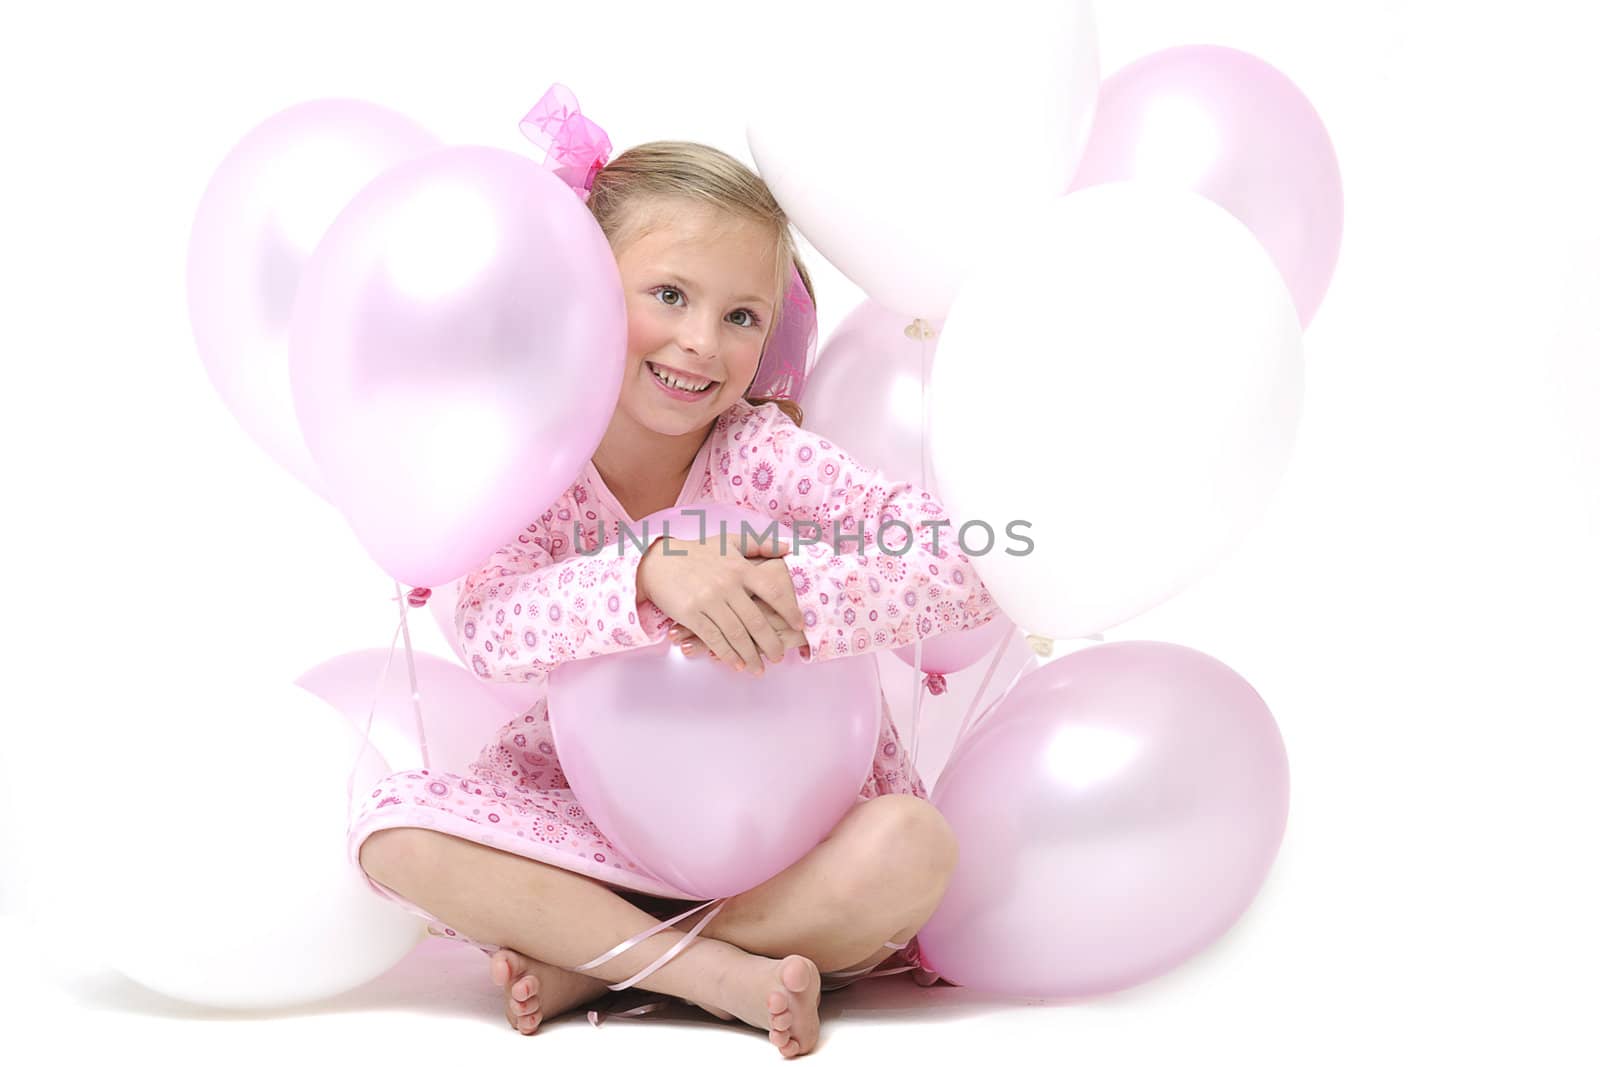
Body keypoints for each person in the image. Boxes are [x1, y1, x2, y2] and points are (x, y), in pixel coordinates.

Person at [349, 126, 995, 1058]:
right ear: (584, 290)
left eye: (743, 316)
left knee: (914, 846)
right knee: (391, 835)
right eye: (669, 295)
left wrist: (784, 587)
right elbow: (489, 625)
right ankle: (714, 973)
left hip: (793, 835)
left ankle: (608, 961)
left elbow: (957, 563)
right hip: (600, 819)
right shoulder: (543, 464)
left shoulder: (758, 453)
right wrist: (646, 572)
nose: (702, 343)